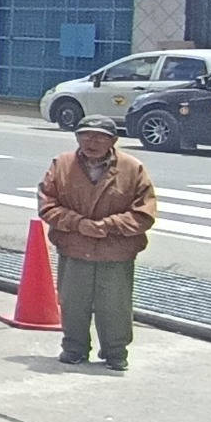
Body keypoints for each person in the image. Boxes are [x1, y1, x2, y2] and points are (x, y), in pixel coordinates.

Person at [36, 115, 156, 371]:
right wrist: (77, 223)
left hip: (116, 250)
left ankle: (115, 352)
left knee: (115, 304)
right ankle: (74, 348)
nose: (92, 141)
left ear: (113, 141)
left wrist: (108, 226)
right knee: (72, 301)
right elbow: (47, 203)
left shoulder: (132, 168)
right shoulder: (62, 164)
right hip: (74, 246)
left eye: (99, 136)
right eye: (85, 135)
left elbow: (144, 213)